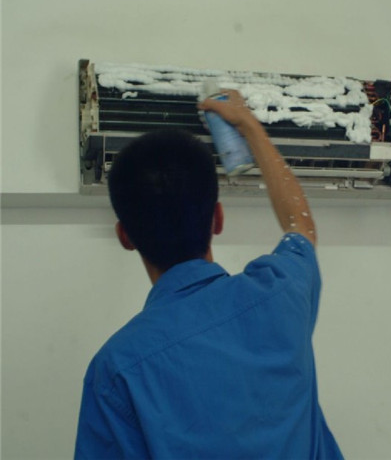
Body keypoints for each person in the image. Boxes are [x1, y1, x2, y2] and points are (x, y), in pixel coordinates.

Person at [74, 90, 343, 459]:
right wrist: (249, 126)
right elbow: (301, 225)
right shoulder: (281, 293)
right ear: (218, 218)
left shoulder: (116, 370)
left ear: (125, 237)